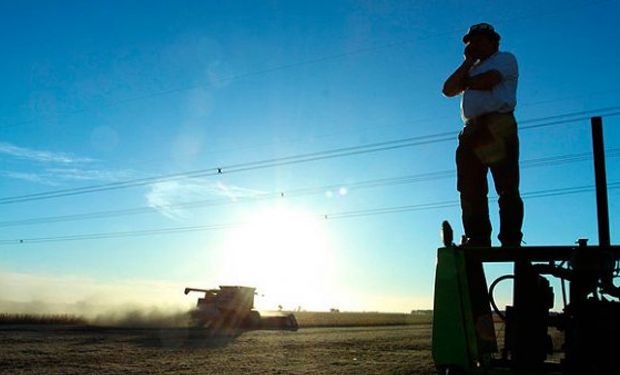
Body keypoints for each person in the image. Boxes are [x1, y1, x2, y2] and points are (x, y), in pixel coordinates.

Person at [442, 23, 523, 247]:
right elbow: (448, 89)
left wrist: (465, 82)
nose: (473, 45)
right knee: (470, 188)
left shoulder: (505, 58)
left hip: (498, 123)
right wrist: (467, 63)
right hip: (471, 129)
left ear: (492, 41)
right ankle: (477, 238)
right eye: (470, 42)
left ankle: (510, 239)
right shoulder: (471, 67)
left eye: (478, 40)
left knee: (506, 186)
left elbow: (489, 81)